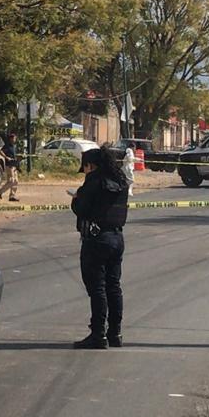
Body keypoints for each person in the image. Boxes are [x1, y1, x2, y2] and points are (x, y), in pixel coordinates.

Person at [70, 147, 130, 349]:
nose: (85, 171)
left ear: (91, 165)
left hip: (96, 240)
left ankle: (98, 334)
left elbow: (82, 208)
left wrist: (76, 198)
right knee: (113, 286)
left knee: (97, 288)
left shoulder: (94, 181)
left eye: (85, 167)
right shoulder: (120, 181)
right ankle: (115, 333)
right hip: (117, 237)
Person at [0, 132, 21, 202]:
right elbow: (0, 151)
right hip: (9, 166)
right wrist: (6, 157)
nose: (14, 139)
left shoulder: (13, 146)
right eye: (13, 138)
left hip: (14, 166)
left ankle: (12, 196)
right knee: (11, 181)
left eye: (15, 138)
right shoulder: (7, 146)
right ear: (10, 139)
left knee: (15, 181)